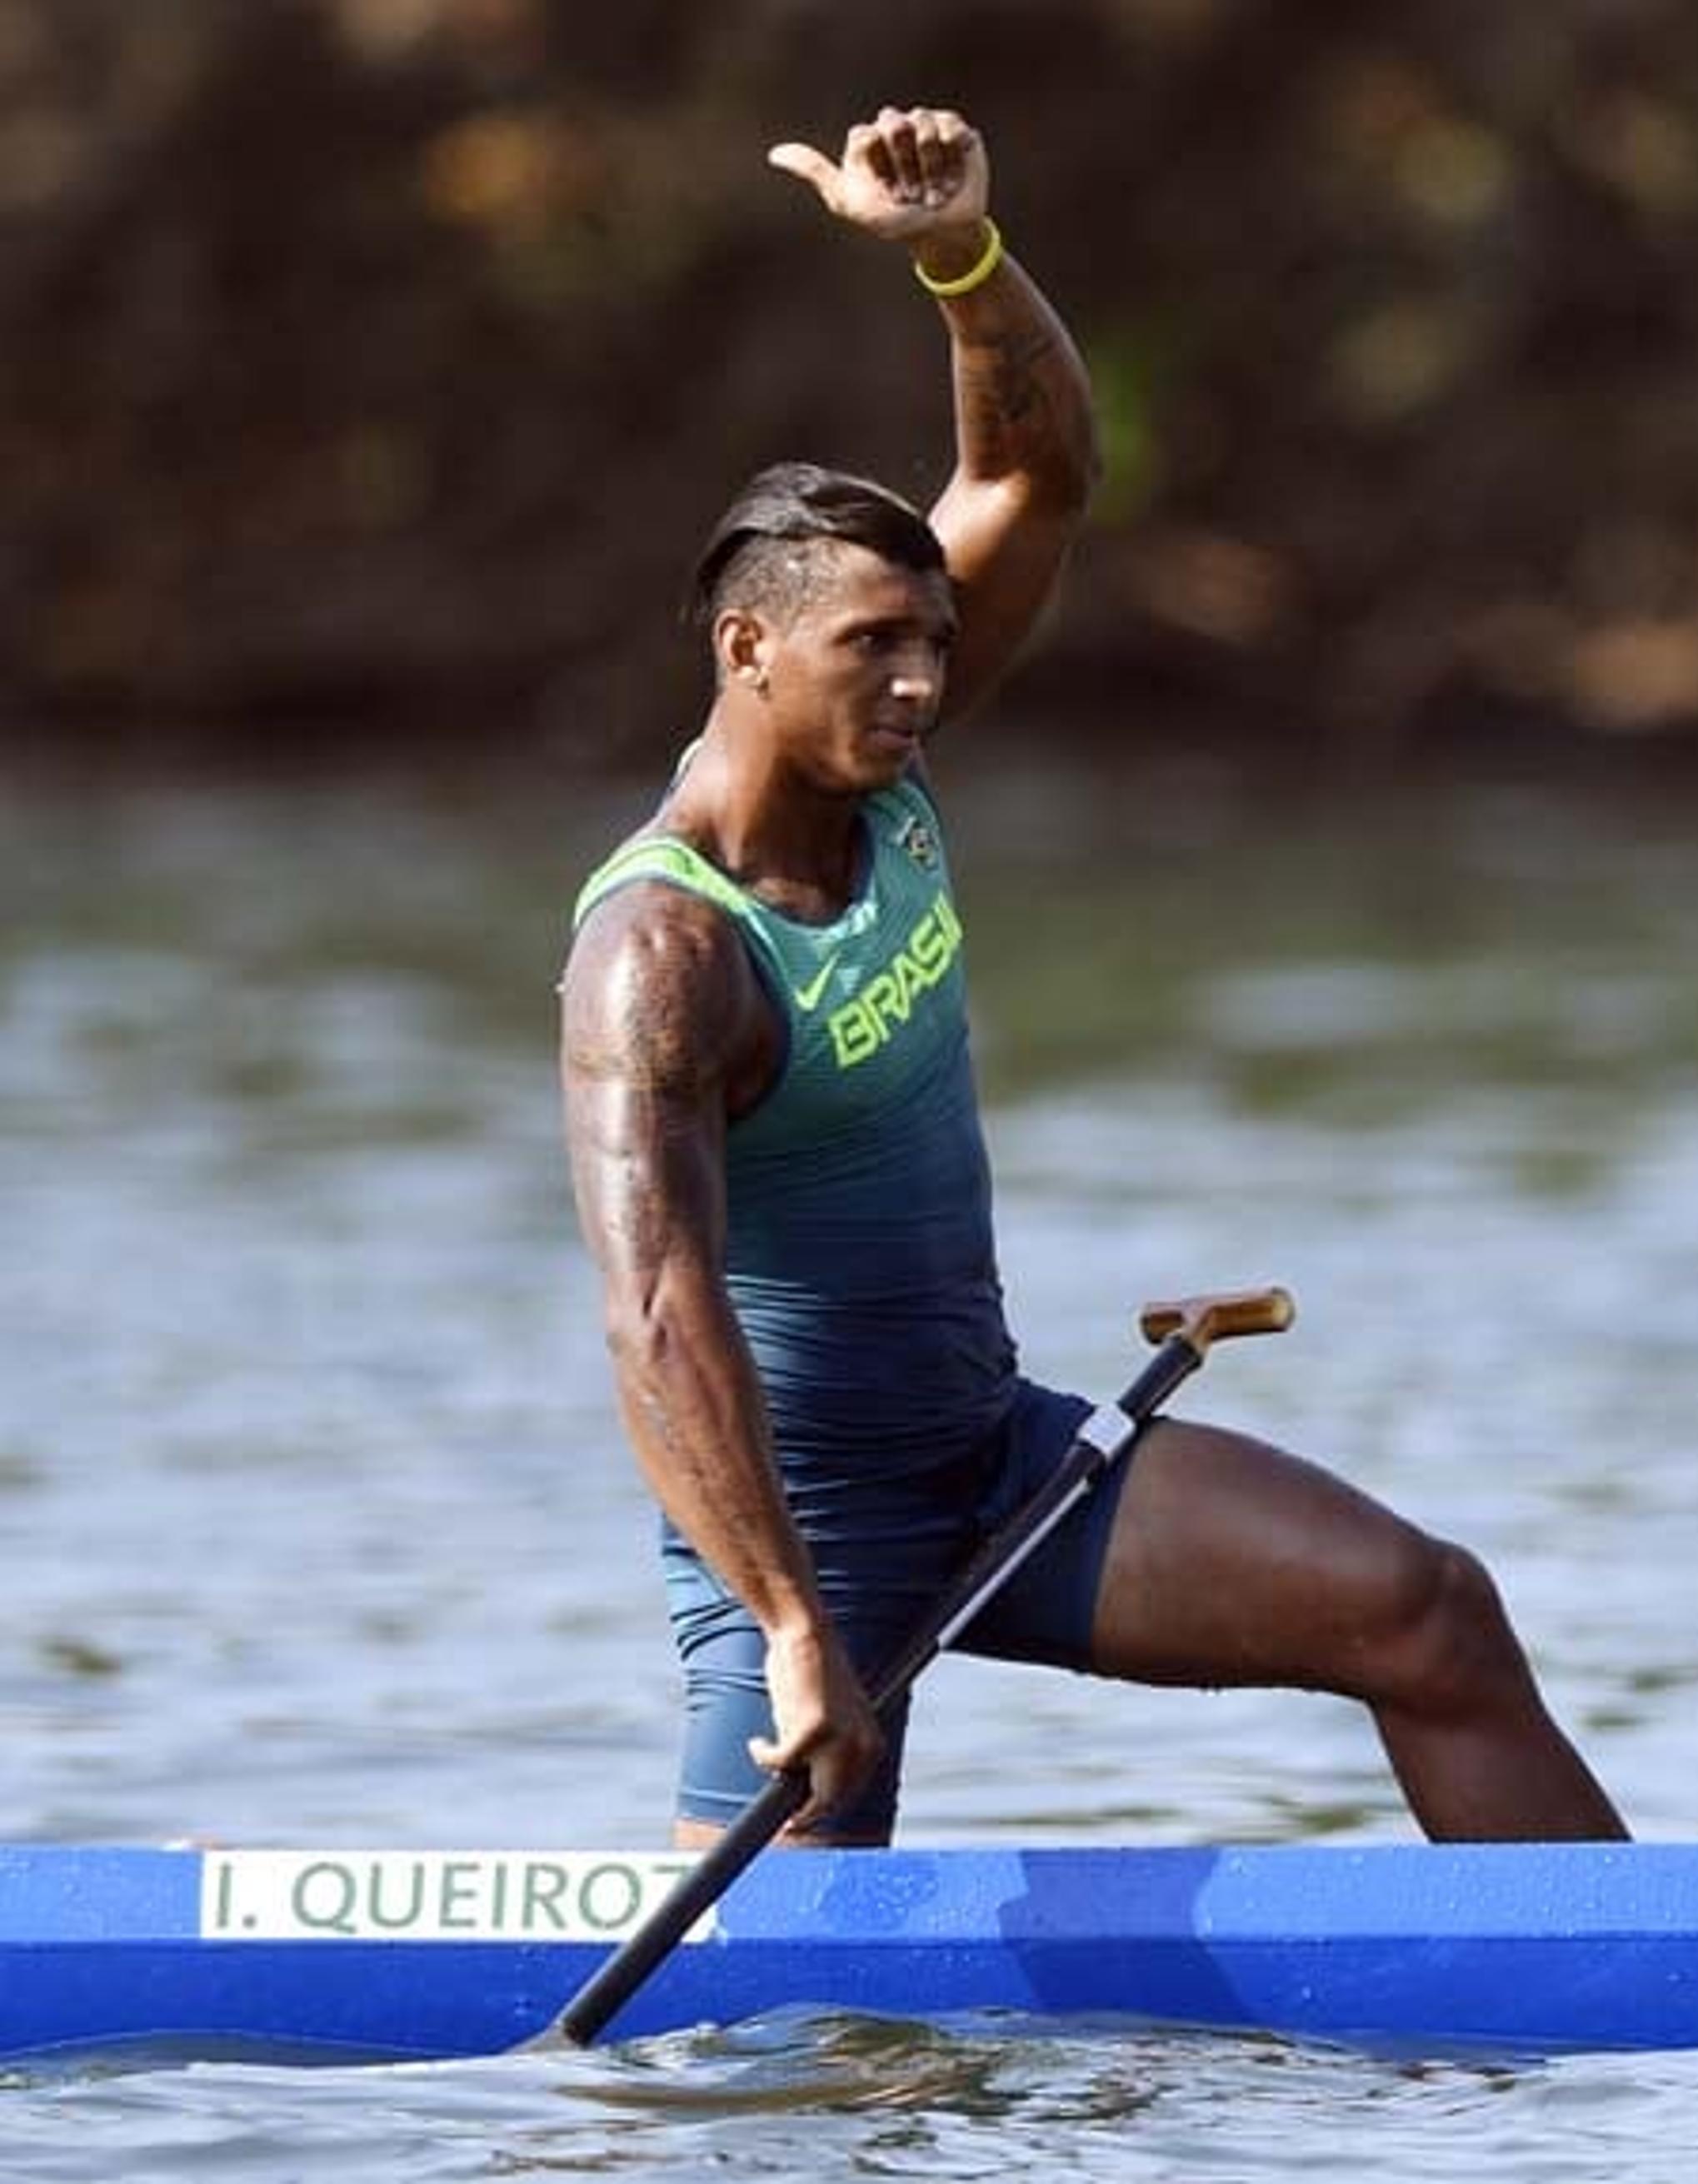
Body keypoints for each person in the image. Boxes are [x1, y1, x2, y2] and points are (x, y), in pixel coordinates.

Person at [559, 106, 1625, 1848]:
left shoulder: (878, 771)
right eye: (869, 649)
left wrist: (960, 264)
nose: (919, 681)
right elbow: (658, 1321)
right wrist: (790, 1628)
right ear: (746, 650)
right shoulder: (663, 958)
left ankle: (1619, 2028)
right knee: (787, 2059)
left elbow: (1035, 478)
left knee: (1427, 1608)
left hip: (997, 1462)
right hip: (803, 1528)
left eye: (930, 643)